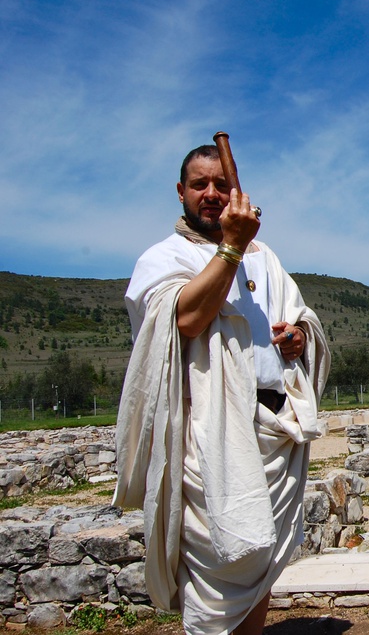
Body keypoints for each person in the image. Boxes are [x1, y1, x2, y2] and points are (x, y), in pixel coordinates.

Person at [113, 144, 330, 635]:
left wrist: (297, 337)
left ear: (234, 190)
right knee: (222, 559)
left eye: (220, 184)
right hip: (209, 436)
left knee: (263, 562)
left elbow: (298, 315)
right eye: (198, 185)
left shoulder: (265, 257)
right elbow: (186, 318)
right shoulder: (163, 258)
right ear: (181, 192)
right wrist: (231, 246)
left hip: (275, 430)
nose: (210, 194)